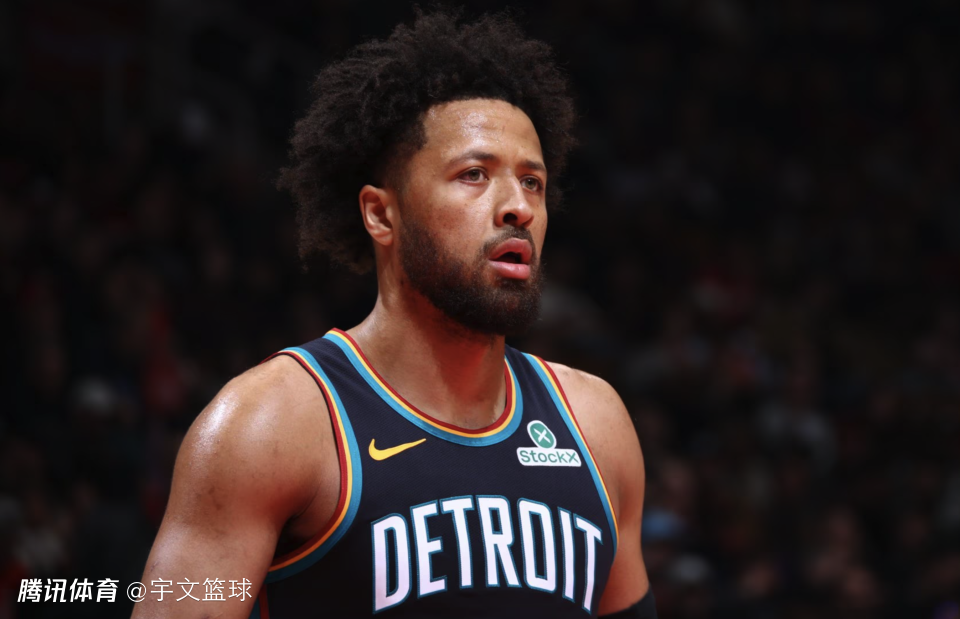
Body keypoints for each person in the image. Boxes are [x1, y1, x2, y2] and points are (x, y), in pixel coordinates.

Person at [133, 9, 656, 619]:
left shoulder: (595, 424)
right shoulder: (271, 424)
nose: (518, 206)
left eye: (532, 182)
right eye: (474, 175)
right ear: (381, 214)